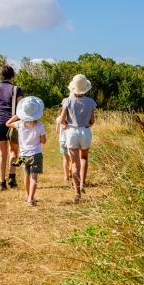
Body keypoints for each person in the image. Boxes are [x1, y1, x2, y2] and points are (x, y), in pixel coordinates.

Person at [0, 65, 23, 191]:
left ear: (0, 76)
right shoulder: (17, 89)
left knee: (2, 154)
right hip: (13, 123)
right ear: (13, 76)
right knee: (13, 151)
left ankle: (2, 183)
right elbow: (22, 108)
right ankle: (12, 177)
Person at [60, 74, 96, 203]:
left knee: (74, 162)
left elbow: (62, 120)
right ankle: (82, 184)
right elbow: (92, 121)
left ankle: (77, 192)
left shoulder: (68, 101)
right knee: (84, 158)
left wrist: (65, 125)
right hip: (85, 131)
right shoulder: (90, 102)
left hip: (72, 132)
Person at [6, 96, 46, 206]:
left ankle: (28, 196)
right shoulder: (40, 125)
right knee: (34, 178)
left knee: (26, 177)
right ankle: (31, 199)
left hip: (23, 155)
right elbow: (43, 141)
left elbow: (7, 124)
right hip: (36, 154)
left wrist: (17, 116)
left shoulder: (19, 124)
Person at [55, 97, 71, 182]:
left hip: (62, 140)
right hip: (70, 140)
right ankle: (72, 170)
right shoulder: (71, 119)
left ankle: (66, 176)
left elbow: (57, 130)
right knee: (73, 158)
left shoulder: (58, 118)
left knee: (65, 159)